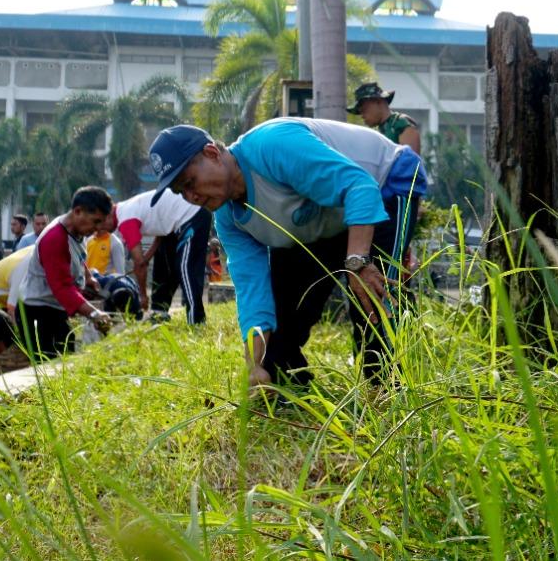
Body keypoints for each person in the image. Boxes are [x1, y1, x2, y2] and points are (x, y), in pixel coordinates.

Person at [149, 117, 427, 387]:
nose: (191, 197)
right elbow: (252, 290)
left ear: (211, 153)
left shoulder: (272, 146)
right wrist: (254, 366)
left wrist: (357, 263)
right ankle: (288, 386)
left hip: (384, 183)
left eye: (189, 183)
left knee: (369, 300)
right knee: (277, 345)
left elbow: (359, 186)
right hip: (325, 217)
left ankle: (388, 387)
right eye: (180, 192)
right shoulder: (228, 217)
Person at [16, 187, 115, 357]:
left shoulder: (77, 231)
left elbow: (76, 257)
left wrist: (88, 277)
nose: (98, 228)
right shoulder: (55, 239)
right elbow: (62, 287)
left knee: (65, 362)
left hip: (54, 308)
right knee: (50, 367)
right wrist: (94, 313)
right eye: (96, 221)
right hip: (38, 313)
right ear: (78, 211)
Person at [114, 189, 210, 325]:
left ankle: (197, 321)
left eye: (97, 223)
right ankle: (159, 313)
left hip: (192, 213)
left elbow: (139, 265)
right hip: (172, 226)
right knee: (163, 264)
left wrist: (142, 295)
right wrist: (147, 257)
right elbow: (161, 231)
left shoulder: (125, 220)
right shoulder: (127, 208)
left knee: (186, 267)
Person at [349, 82, 421, 154]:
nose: (362, 115)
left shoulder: (400, 124)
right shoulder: (380, 131)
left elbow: (411, 161)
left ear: (378, 101)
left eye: (364, 110)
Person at [84, 211, 127, 277]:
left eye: (106, 219)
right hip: (88, 283)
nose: (103, 224)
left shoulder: (115, 243)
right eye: (100, 221)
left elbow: (120, 273)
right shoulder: (88, 240)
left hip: (104, 284)